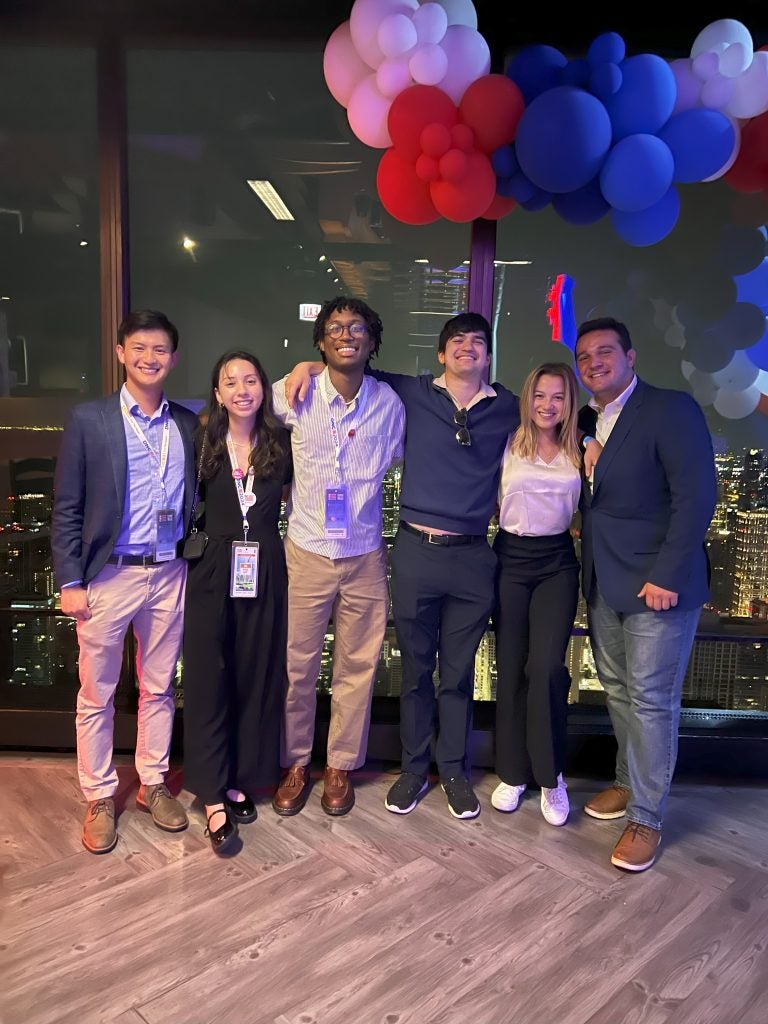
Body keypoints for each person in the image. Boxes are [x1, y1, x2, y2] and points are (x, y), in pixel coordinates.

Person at [287, 312, 520, 820]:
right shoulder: (412, 394)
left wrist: (588, 436)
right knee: (414, 672)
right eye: (456, 341)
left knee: (456, 675)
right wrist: (306, 365)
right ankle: (412, 770)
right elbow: (348, 366)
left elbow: (559, 416)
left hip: (471, 556)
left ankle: (452, 771)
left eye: (477, 342)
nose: (467, 348)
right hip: (411, 551)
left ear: (488, 354)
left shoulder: (507, 408)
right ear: (440, 354)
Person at [52, 309, 197, 854]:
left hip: (168, 572)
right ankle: (98, 794)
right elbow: (67, 506)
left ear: (173, 359)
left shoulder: (186, 424)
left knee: (159, 686)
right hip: (108, 574)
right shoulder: (91, 419)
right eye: (139, 347)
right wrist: (71, 578)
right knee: (98, 692)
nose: (149, 358)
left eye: (160, 350)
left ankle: (153, 784)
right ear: (120, 353)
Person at [575, 317, 716, 872]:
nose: (594, 363)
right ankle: (627, 783)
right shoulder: (590, 418)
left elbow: (696, 497)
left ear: (630, 357)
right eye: (584, 356)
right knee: (618, 690)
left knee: (653, 700)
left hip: (658, 585)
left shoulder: (670, 409)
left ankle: (648, 819)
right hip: (605, 580)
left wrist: (667, 574)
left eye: (605, 352)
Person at [270, 297, 405, 818]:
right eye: (334, 328)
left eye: (356, 328)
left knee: (357, 667)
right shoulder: (296, 393)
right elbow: (248, 406)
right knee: (296, 666)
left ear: (372, 341)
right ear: (321, 342)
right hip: (305, 550)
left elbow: (396, 457)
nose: (345, 334)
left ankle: (341, 765)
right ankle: (296, 763)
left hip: (365, 555)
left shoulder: (389, 405)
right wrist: (299, 369)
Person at [182, 351, 291, 854]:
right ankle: (212, 794)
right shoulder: (201, 442)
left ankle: (241, 776)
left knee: (255, 673)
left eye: (251, 379)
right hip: (211, 569)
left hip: (263, 567)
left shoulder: (280, 443)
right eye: (231, 381)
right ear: (218, 392)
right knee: (209, 677)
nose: (242, 389)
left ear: (264, 388)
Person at [491, 362, 585, 827]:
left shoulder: (581, 448)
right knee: (510, 668)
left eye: (559, 397)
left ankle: (551, 777)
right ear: (527, 399)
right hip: (509, 558)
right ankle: (513, 774)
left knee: (546, 667)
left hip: (557, 563)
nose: (548, 405)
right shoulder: (505, 442)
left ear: (570, 403)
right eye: (540, 396)